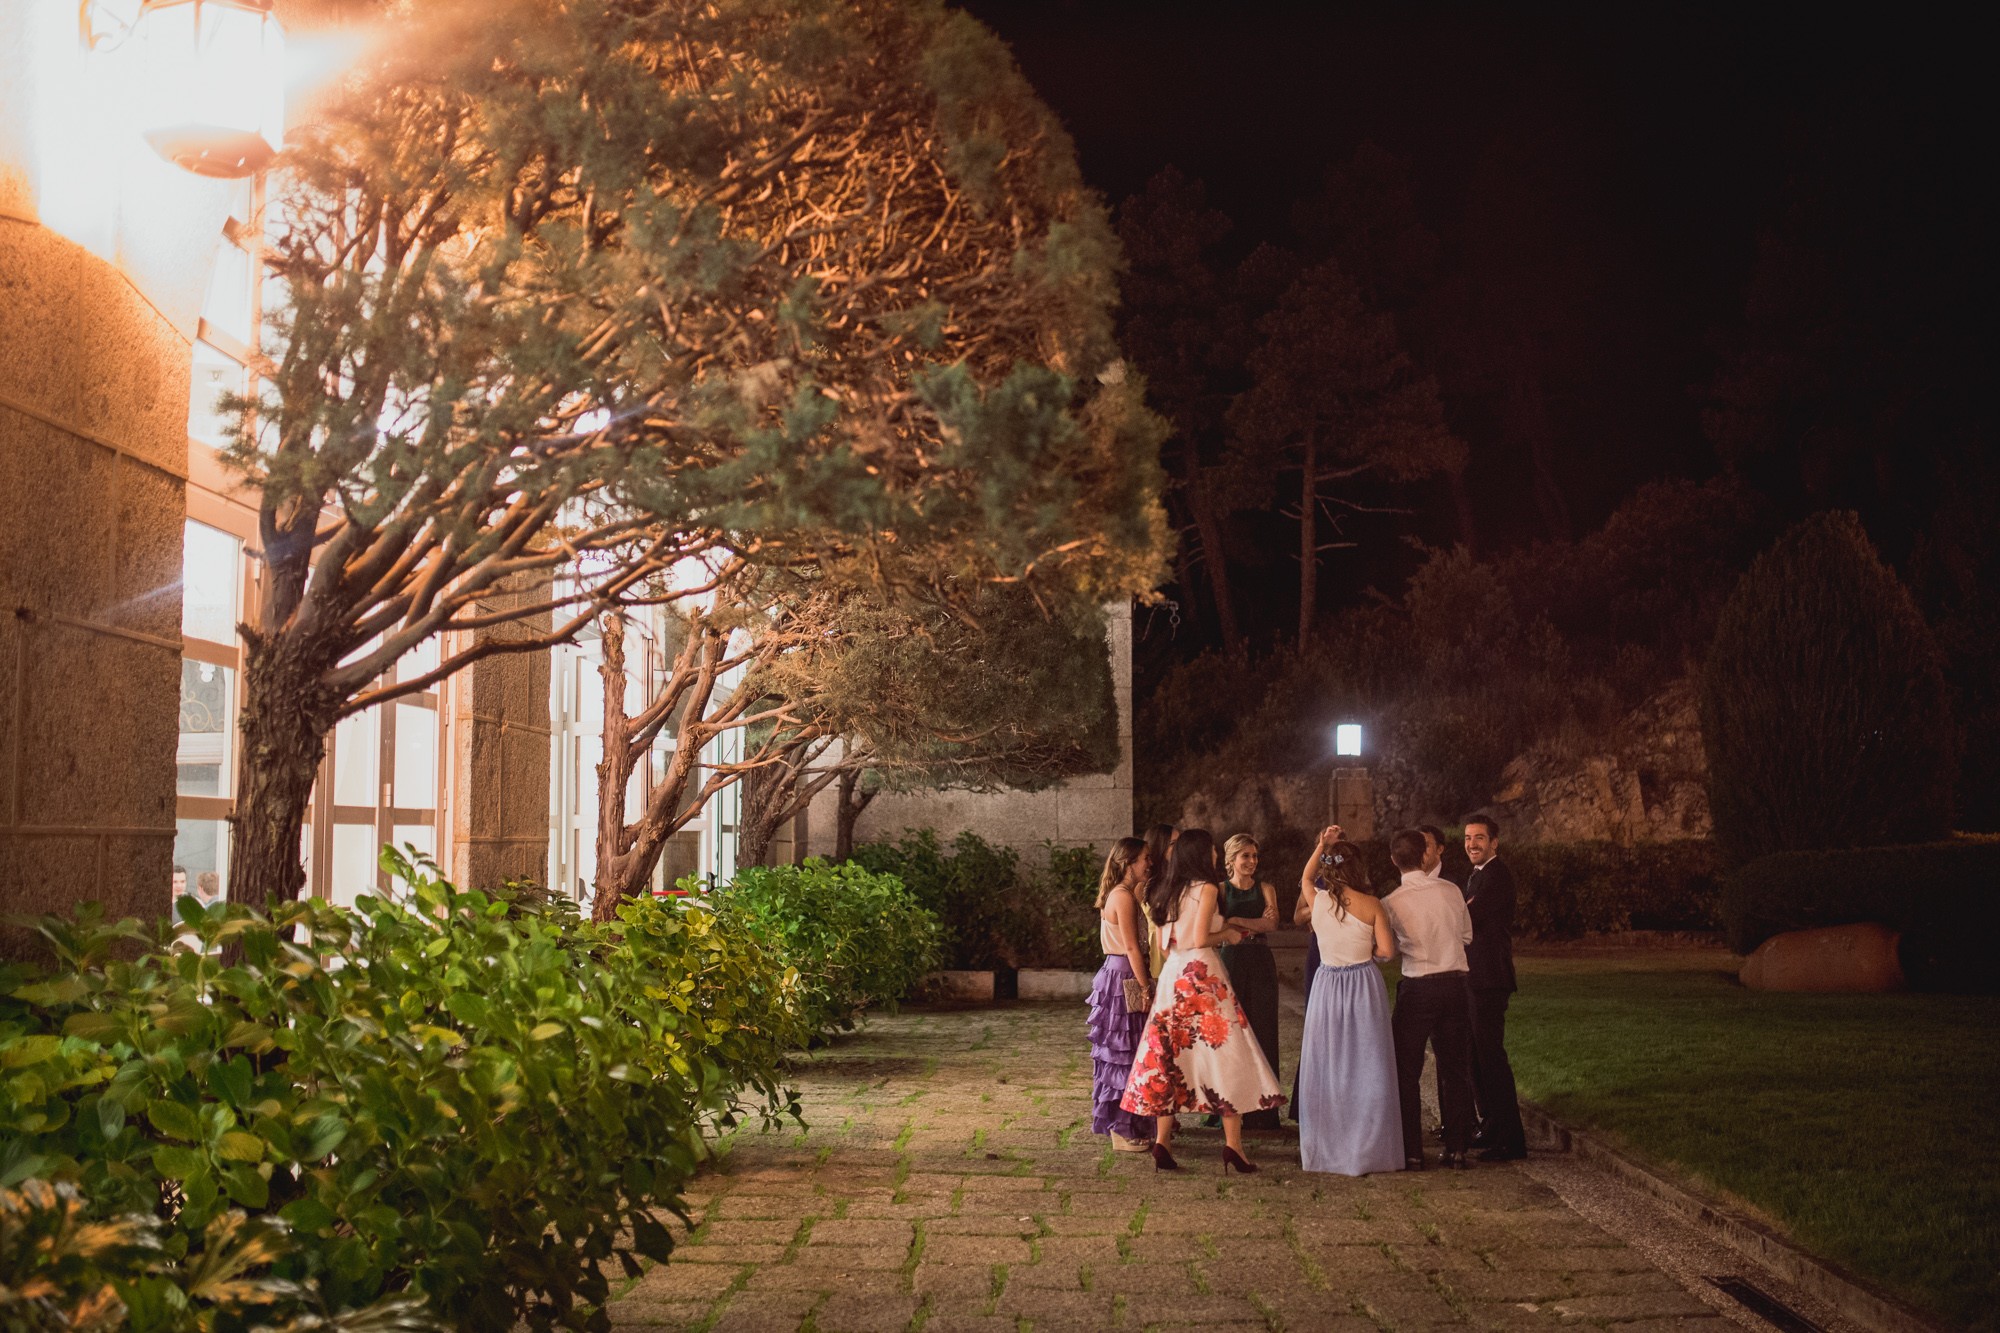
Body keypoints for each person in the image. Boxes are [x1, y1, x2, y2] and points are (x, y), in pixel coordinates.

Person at [1120, 828, 1284, 1173]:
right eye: (1210, 850)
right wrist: (1227, 933)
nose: (1214, 856)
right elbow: (1199, 938)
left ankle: (1163, 1142)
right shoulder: (1206, 888)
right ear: (1200, 854)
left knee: (1170, 1056)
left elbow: (1167, 940)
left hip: (1173, 974)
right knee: (1227, 1053)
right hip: (1202, 974)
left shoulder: (1166, 888)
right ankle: (1234, 1147)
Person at [1294, 830, 1403, 1175]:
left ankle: (1328, 1146)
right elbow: (1387, 951)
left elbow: (1305, 877)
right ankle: (1367, 1148)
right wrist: (1367, 951)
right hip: (1362, 985)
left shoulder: (1319, 900)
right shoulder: (1373, 905)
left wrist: (1320, 846)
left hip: (1327, 984)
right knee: (1367, 1063)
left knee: (1329, 1064)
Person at [1380, 827, 1476, 1169]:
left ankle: (1412, 1150)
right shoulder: (1451, 891)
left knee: (1406, 1071)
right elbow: (1466, 935)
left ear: (1394, 860)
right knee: (1454, 1069)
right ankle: (1457, 1147)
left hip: (1418, 987)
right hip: (1455, 985)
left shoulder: (1391, 903)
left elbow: (1384, 952)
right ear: (1425, 855)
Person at [1462, 814, 1527, 1161]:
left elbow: (1467, 918)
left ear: (1494, 842)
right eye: (1468, 838)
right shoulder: (1476, 876)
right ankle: (1490, 1124)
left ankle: (1511, 1139)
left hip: (1489, 978)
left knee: (1491, 1058)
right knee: (1475, 1057)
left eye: (1479, 838)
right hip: (1474, 977)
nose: (1472, 844)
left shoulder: (1497, 877)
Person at [1088, 837, 1157, 1152]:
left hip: (1115, 973)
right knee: (1125, 1054)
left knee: (1127, 1053)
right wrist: (1146, 986)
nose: (1149, 863)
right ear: (1128, 862)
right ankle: (1123, 1128)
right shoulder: (1123, 897)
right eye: (1144, 858)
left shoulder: (1122, 893)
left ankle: (1129, 1124)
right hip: (1125, 977)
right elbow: (1132, 947)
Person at [1213, 834, 1281, 1131]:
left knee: (1263, 1030)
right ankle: (1228, 1108)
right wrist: (1248, 922)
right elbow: (1216, 925)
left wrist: (1236, 920)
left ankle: (1263, 1111)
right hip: (1230, 962)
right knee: (1230, 1032)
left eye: (1255, 856)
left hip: (1260, 962)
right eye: (1246, 856)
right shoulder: (1218, 890)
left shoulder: (1267, 889)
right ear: (1232, 860)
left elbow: (1271, 925)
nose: (1252, 862)